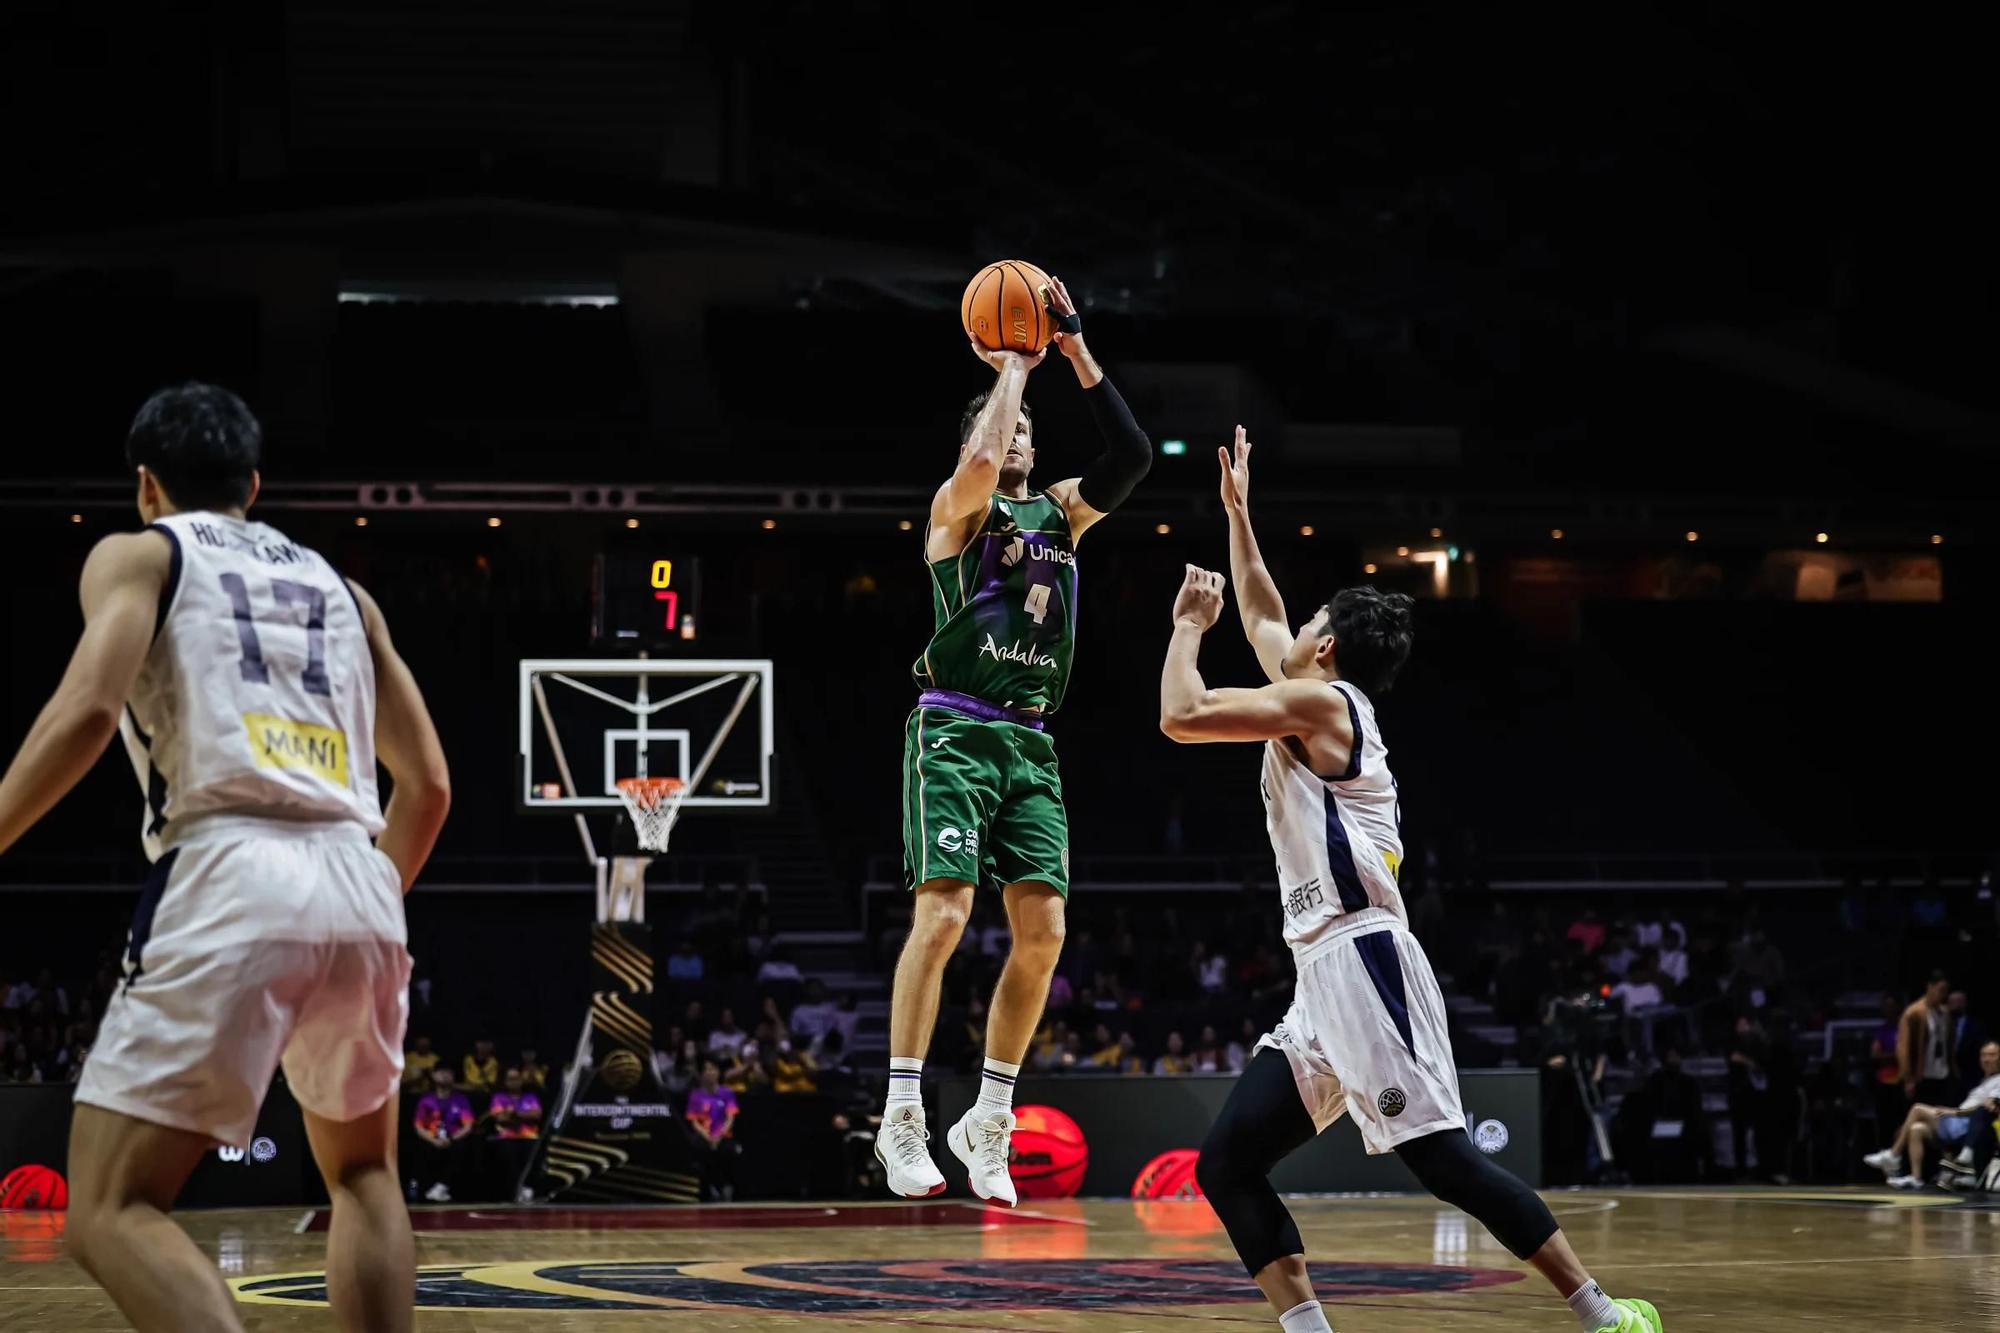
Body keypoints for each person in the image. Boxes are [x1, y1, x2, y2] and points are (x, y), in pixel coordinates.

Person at [1152, 430, 1660, 1333]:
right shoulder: (1319, 690)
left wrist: (1189, 626)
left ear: (1330, 648)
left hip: (1365, 956)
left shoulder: (1327, 703)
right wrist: (1238, 514)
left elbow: (1182, 716)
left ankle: (1602, 1311)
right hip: (1320, 971)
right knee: (1226, 1162)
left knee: (1445, 1162)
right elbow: (1266, 613)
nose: (1293, 628)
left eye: (1312, 624)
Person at [0, 384, 448, 1333]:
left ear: (145, 487)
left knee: (112, 1205)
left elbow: (85, 710)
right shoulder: (345, 587)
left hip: (230, 864)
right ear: (253, 482)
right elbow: (432, 786)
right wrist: (352, 904)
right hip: (358, 877)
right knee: (365, 1174)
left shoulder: (140, 553)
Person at [879, 279, 1154, 1205]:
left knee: (1045, 934)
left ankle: (989, 1116)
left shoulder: (1062, 514)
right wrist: (1009, 367)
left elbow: (1134, 453)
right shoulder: (957, 513)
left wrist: (1072, 354)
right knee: (946, 916)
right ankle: (903, 1112)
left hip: (1032, 742)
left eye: (1033, 430)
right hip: (954, 724)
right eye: (1011, 428)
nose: (1023, 437)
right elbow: (985, 456)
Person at [1865, 1039, 2000, 1188]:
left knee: (1917, 1109)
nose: (1986, 1059)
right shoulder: (1983, 1081)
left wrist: (1953, 1112)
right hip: (1956, 1123)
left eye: (1992, 1055)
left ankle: (1894, 1154)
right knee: (1917, 1129)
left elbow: (1985, 1108)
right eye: (1983, 1055)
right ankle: (1916, 1178)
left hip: (1967, 1125)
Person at [411, 1067, 475, 1202]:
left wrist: (451, 1139)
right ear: (433, 1076)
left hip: (453, 1138)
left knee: (461, 1149)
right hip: (431, 1138)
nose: (444, 1075)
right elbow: (418, 1126)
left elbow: (468, 1126)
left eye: (448, 1072)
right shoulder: (426, 1100)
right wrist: (433, 1140)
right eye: (440, 1072)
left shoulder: (460, 1099)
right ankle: (425, 1191)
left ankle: (441, 1186)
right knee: (418, 1149)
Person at [1898, 971, 1957, 1107]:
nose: (1943, 994)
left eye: (1946, 991)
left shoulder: (1945, 1013)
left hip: (1943, 1075)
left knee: (1942, 1118)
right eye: (1940, 990)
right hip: (1921, 1077)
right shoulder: (1914, 1012)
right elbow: (1904, 1047)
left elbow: (1949, 1044)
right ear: (1930, 987)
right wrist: (1908, 1078)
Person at [685, 1060, 741, 1202]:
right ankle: (709, 1187)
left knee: (728, 1151)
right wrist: (709, 1138)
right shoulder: (695, 1095)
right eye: (707, 1070)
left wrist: (719, 1136)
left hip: (723, 1136)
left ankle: (726, 1186)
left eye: (713, 1070)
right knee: (698, 1149)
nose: (711, 1073)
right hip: (704, 1136)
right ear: (701, 1075)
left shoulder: (727, 1092)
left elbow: (730, 1118)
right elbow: (694, 1122)